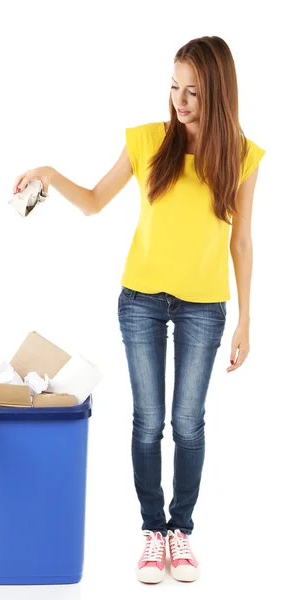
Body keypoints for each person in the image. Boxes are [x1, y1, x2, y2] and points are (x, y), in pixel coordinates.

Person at [13, 35, 266, 586]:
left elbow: (241, 242)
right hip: (141, 302)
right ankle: (153, 531)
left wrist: (247, 318)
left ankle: (182, 532)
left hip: (206, 305)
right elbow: (95, 202)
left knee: (188, 424)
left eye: (194, 91)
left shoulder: (242, 157)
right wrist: (51, 175)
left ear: (218, 93)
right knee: (148, 422)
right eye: (174, 86)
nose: (180, 100)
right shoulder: (148, 141)